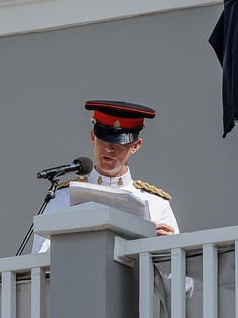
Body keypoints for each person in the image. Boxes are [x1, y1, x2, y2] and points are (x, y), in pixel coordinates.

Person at [32, 99, 179, 254]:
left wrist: (166, 248)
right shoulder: (62, 197)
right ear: (92, 138)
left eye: (119, 142)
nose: (109, 148)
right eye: (103, 139)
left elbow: (178, 266)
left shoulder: (157, 204)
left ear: (135, 146)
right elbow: (39, 257)